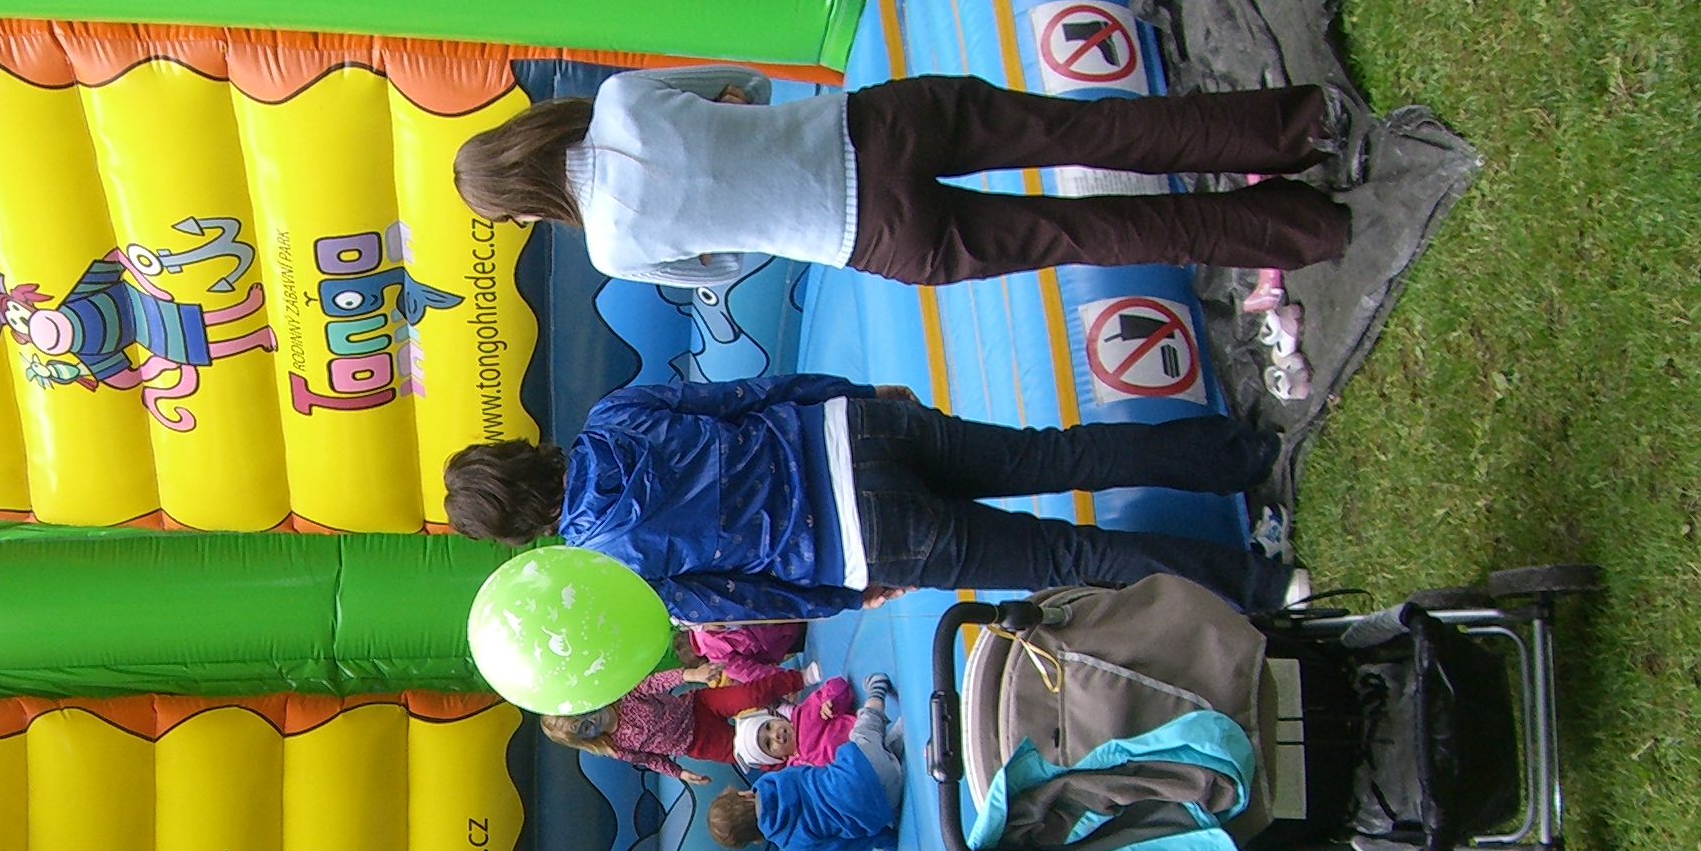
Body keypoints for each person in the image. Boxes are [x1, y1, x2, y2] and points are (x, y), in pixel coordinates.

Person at [443, 375, 1302, 624]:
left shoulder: (610, 564)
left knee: (1069, 557)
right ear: (520, 454)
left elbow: (736, 598)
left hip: (860, 539)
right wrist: (855, 395)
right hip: (852, 434)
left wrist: (847, 597)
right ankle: (1246, 451)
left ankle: (1263, 585)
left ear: (521, 532)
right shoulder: (614, 414)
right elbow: (751, 393)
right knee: (1059, 451)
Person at [451, 64, 1359, 290]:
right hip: (876, 127)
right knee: (1090, 128)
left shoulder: (612, 251)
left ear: (526, 207)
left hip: (871, 236)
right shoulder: (621, 99)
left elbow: (726, 267)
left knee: (1086, 235)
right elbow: (748, 83)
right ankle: (1304, 126)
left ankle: (1308, 230)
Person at [712, 674, 906, 851]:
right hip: (865, 764)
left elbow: (844, 847)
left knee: (872, 779)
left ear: (756, 840)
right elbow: (813, 773)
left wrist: (887, 842)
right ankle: (877, 691)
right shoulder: (777, 781)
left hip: (886, 805)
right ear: (745, 794)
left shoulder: (792, 844)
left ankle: (894, 755)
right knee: (865, 732)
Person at [541, 661, 801, 784]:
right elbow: (650, 760)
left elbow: (656, 682)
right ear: (586, 740)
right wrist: (679, 773)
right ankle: (799, 758)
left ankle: (799, 678)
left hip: (699, 706)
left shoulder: (624, 696)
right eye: (585, 728)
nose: (591, 720)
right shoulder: (616, 746)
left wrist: (693, 674)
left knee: (749, 695)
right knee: (751, 753)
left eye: (584, 713)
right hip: (697, 743)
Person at [732, 671, 859, 772]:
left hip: (861, 735)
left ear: (778, 719)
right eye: (768, 743)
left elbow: (838, 685)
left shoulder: (805, 715)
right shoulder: (797, 771)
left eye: (769, 726)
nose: (775, 735)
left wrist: (831, 700)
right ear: (778, 758)